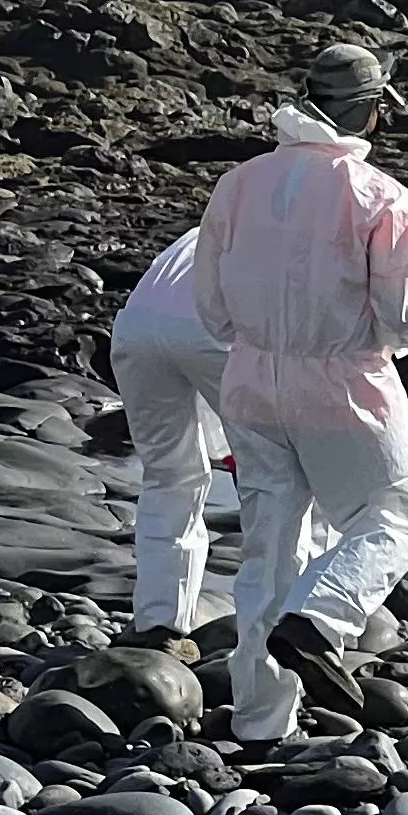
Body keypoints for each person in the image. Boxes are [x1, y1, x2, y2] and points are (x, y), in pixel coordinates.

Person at [196, 43, 408, 739]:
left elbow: (209, 302)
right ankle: (323, 619)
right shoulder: (380, 197)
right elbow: (406, 313)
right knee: (391, 517)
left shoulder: (240, 183)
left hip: (249, 377)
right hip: (343, 378)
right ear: (368, 111)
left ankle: (258, 720)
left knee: (271, 544)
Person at [109, 225, 232, 643]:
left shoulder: (210, 228)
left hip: (136, 328)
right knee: (282, 477)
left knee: (169, 476)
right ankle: (293, 617)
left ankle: (160, 621)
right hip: (210, 332)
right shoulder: (291, 232)